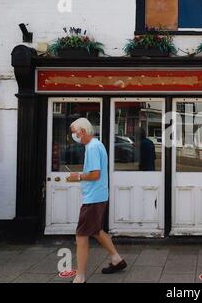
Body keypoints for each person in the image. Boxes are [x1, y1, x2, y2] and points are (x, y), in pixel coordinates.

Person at [67, 118, 127, 283]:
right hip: (98, 195)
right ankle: (117, 259)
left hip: (93, 197)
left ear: (82, 131)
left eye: (74, 132)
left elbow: (95, 174)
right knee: (95, 230)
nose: (73, 135)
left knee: (81, 235)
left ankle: (80, 276)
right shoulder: (96, 145)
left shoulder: (92, 147)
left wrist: (77, 176)